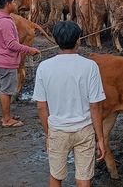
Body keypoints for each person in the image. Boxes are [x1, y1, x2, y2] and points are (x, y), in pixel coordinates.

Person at [33, 21, 106, 187]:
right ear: (79, 40)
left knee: (56, 176)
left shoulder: (44, 67)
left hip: (57, 130)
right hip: (84, 130)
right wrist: (100, 138)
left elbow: (41, 107)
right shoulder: (90, 66)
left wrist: (47, 133)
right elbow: (95, 106)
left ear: (56, 40)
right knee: (83, 178)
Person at [0, 0, 40, 128]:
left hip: (3, 58)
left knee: (6, 88)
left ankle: (7, 115)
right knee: (6, 90)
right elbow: (11, 44)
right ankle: (6, 119)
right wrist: (29, 50)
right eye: (13, 2)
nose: (15, 4)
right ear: (7, 4)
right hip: (7, 60)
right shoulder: (5, 22)